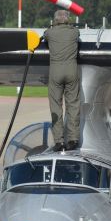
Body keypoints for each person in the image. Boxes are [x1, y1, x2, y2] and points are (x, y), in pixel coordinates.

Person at [43, 10, 81, 151]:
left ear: (55, 20)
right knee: (73, 105)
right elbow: (77, 34)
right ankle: (73, 139)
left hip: (56, 71)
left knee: (56, 106)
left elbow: (44, 35)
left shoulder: (50, 32)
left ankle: (59, 141)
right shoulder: (74, 32)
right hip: (72, 70)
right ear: (67, 20)